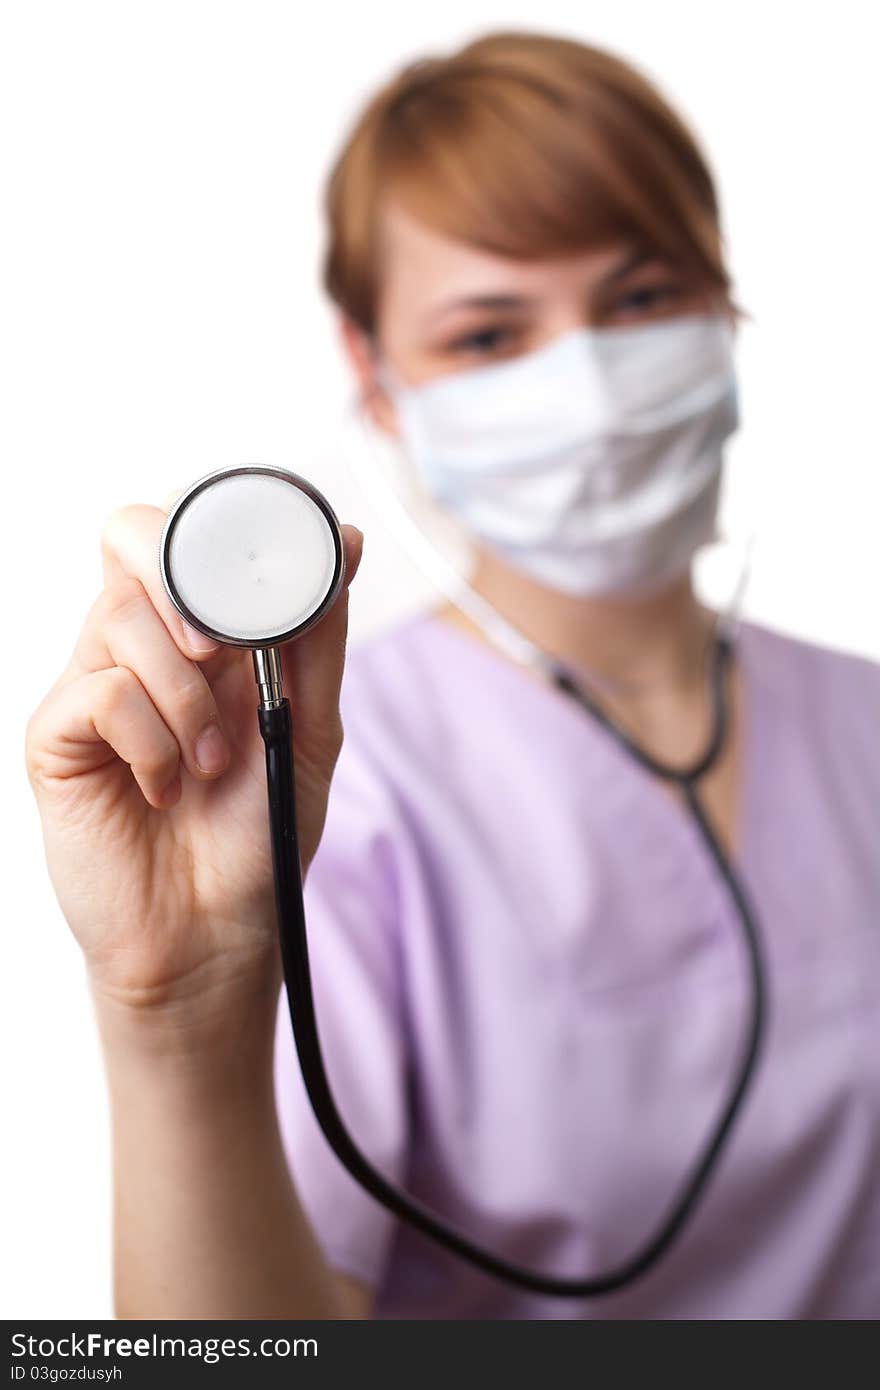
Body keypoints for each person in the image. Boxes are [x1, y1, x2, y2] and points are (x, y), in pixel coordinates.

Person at [25, 31, 880, 1322]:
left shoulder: (864, 721)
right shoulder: (311, 784)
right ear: (375, 375)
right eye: (489, 333)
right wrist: (174, 1016)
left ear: (723, 304)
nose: (586, 376)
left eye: (644, 300)